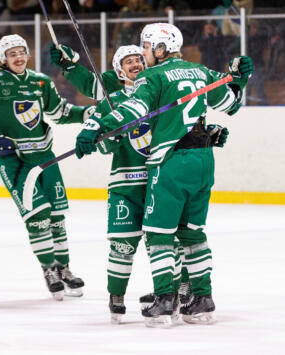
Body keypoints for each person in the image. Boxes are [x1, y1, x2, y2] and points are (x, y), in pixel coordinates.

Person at [74, 23, 253, 327]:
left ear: (160, 48)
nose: (143, 54)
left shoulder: (153, 75)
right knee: (192, 232)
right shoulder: (201, 71)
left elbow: (134, 109)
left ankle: (165, 301)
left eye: (146, 47)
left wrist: (96, 125)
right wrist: (240, 78)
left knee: (159, 234)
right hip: (203, 159)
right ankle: (202, 300)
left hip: (170, 162)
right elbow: (231, 104)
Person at [0, 35, 91, 299]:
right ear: (3, 58)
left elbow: (59, 112)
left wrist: (86, 114)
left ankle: (63, 268)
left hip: (45, 157)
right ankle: (49, 269)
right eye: (12, 54)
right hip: (14, 160)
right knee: (37, 216)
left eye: (21, 52)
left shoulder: (41, 81)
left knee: (57, 217)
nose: (18, 57)